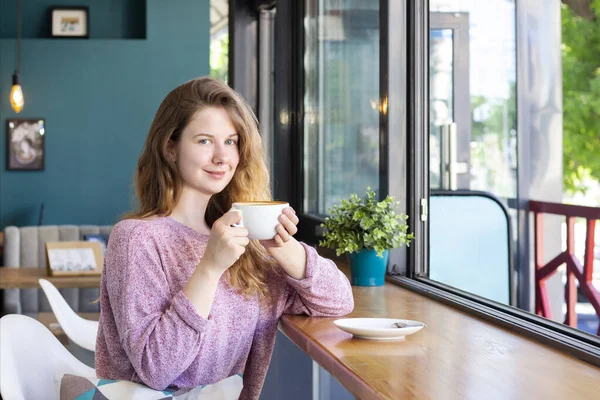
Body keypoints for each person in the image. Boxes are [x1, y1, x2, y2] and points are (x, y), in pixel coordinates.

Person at [95, 77, 354, 399]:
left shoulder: (247, 245)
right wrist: (209, 267)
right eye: (204, 141)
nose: (222, 157)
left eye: (231, 142)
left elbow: (338, 301)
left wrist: (283, 247)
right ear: (170, 148)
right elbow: (156, 370)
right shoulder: (137, 239)